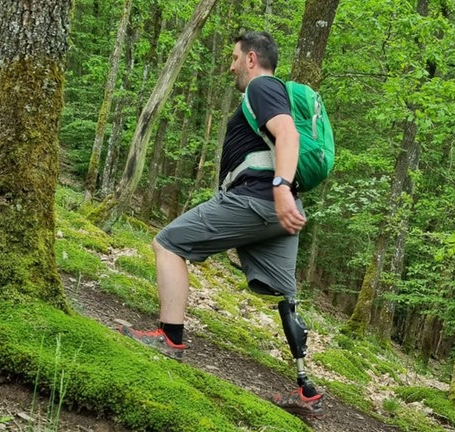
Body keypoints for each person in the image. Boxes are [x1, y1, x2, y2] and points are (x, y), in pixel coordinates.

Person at [119, 30, 323, 416]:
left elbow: (288, 135)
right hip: (280, 212)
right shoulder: (270, 93)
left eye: (233, 57)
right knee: (285, 295)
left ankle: (169, 338)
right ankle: (305, 387)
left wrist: (279, 188)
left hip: (259, 200)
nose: (229, 65)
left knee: (168, 244)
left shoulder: (262, 87)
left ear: (250, 58)